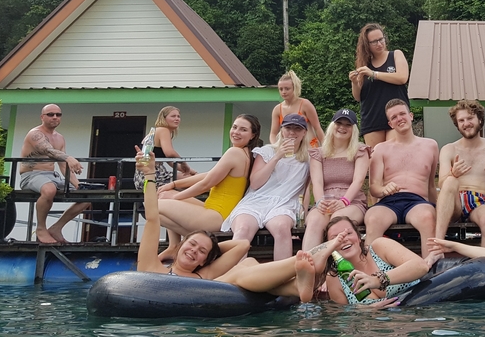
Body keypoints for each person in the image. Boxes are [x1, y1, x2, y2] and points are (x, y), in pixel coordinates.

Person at [135, 152, 352, 300]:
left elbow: (240, 247)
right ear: (181, 245)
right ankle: (304, 265)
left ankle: (297, 284)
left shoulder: (206, 272)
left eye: (201, 252)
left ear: (205, 260)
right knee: (240, 273)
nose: (193, 251)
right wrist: (149, 175)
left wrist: (211, 251)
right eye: (191, 245)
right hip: (206, 292)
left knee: (246, 263)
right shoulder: (152, 267)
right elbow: (153, 218)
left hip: (214, 295)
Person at [155, 114, 261, 260]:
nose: (236, 132)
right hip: (214, 210)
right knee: (164, 195)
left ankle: (181, 244)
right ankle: (174, 246)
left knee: (153, 206)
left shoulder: (234, 152)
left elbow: (206, 184)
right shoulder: (245, 153)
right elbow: (210, 174)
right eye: (234, 127)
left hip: (216, 217)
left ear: (252, 135)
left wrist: (176, 196)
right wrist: (174, 184)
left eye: (243, 130)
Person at [222, 114, 311, 261]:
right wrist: (277, 157)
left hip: (284, 203)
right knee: (243, 229)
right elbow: (256, 183)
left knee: (282, 228)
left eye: (297, 129)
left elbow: (306, 189)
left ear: (304, 132)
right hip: (256, 200)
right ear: (282, 130)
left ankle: (280, 278)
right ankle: (234, 275)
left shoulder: (307, 158)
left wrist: (304, 213)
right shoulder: (268, 151)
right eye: (288, 128)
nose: (292, 132)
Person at [365, 99, 439, 257]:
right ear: (390, 124)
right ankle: (368, 272)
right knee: (373, 218)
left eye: (402, 114)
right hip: (389, 202)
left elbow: (431, 185)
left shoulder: (431, 145)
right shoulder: (381, 149)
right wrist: (384, 190)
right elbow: (374, 187)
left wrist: (438, 209)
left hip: (418, 201)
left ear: (411, 116)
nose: (399, 119)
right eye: (394, 117)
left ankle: (432, 271)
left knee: (428, 216)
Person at [321, 216, 440, 307]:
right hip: (377, 329)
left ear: (358, 237)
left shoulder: (379, 247)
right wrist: (366, 310)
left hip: (421, 308)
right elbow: (342, 317)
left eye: (348, 233)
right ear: (329, 247)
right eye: (336, 238)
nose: (344, 239)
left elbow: (420, 266)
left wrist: (377, 280)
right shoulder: (334, 278)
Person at [434, 100, 485, 250]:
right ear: (457, 124)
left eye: (470, 118)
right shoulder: (449, 149)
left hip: (480, 200)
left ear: (480, 119)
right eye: (461, 120)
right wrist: (454, 173)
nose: (466, 123)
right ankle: (437, 248)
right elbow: (442, 185)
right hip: (454, 200)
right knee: (450, 181)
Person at [19, 104, 91, 244]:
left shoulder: (60, 138)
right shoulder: (35, 133)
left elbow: (63, 166)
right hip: (31, 175)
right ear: (42, 117)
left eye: (58, 115)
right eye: (50, 114)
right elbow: (48, 150)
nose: (55, 117)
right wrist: (68, 157)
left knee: (87, 196)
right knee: (49, 189)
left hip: (52, 176)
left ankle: (56, 228)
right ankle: (41, 229)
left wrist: (78, 185)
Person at [302, 109, 370, 251]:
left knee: (337, 220)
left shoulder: (360, 150)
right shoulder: (318, 153)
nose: (342, 127)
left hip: (352, 202)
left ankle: (337, 267)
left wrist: (344, 201)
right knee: (315, 221)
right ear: (332, 125)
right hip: (325, 201)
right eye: (339, 123)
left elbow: (358, 180)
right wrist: (320, 202)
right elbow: (317, 182)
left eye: (348, 125)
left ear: (353, 129)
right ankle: (308, 265)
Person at [349, 23, 410, 147]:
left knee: (394, 157)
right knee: (376, 161)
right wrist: (355, 83)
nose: (379, 43)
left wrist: (374, 74)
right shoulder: (363, 64)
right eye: (374, 41)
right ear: (367, 45)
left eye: (381, 39)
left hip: (396, 117)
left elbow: (402, 78)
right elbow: (358, 97)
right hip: (372, 118)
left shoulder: (396, 55)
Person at [133, 106, 198, 188]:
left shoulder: (158, 131)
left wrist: (192, 171)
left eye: (178, 116)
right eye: (173, 116)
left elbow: (170, 162)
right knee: (196, 180)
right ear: (164, 118)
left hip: (143, 177)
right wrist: (184, 163)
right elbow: (169, 153)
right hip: (152, 175)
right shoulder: (163, 130)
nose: (177, 119)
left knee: (194, 177)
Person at [269, 70, 325, 147]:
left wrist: (325, 147)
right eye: (281, 89)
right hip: (289, 148)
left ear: (295, 88)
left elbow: (317, 128)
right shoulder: (277, 109)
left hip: (309, 147)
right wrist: (275, 146)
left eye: (287, 89)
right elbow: (273, 134)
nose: (283, 92)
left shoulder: (305, 104)